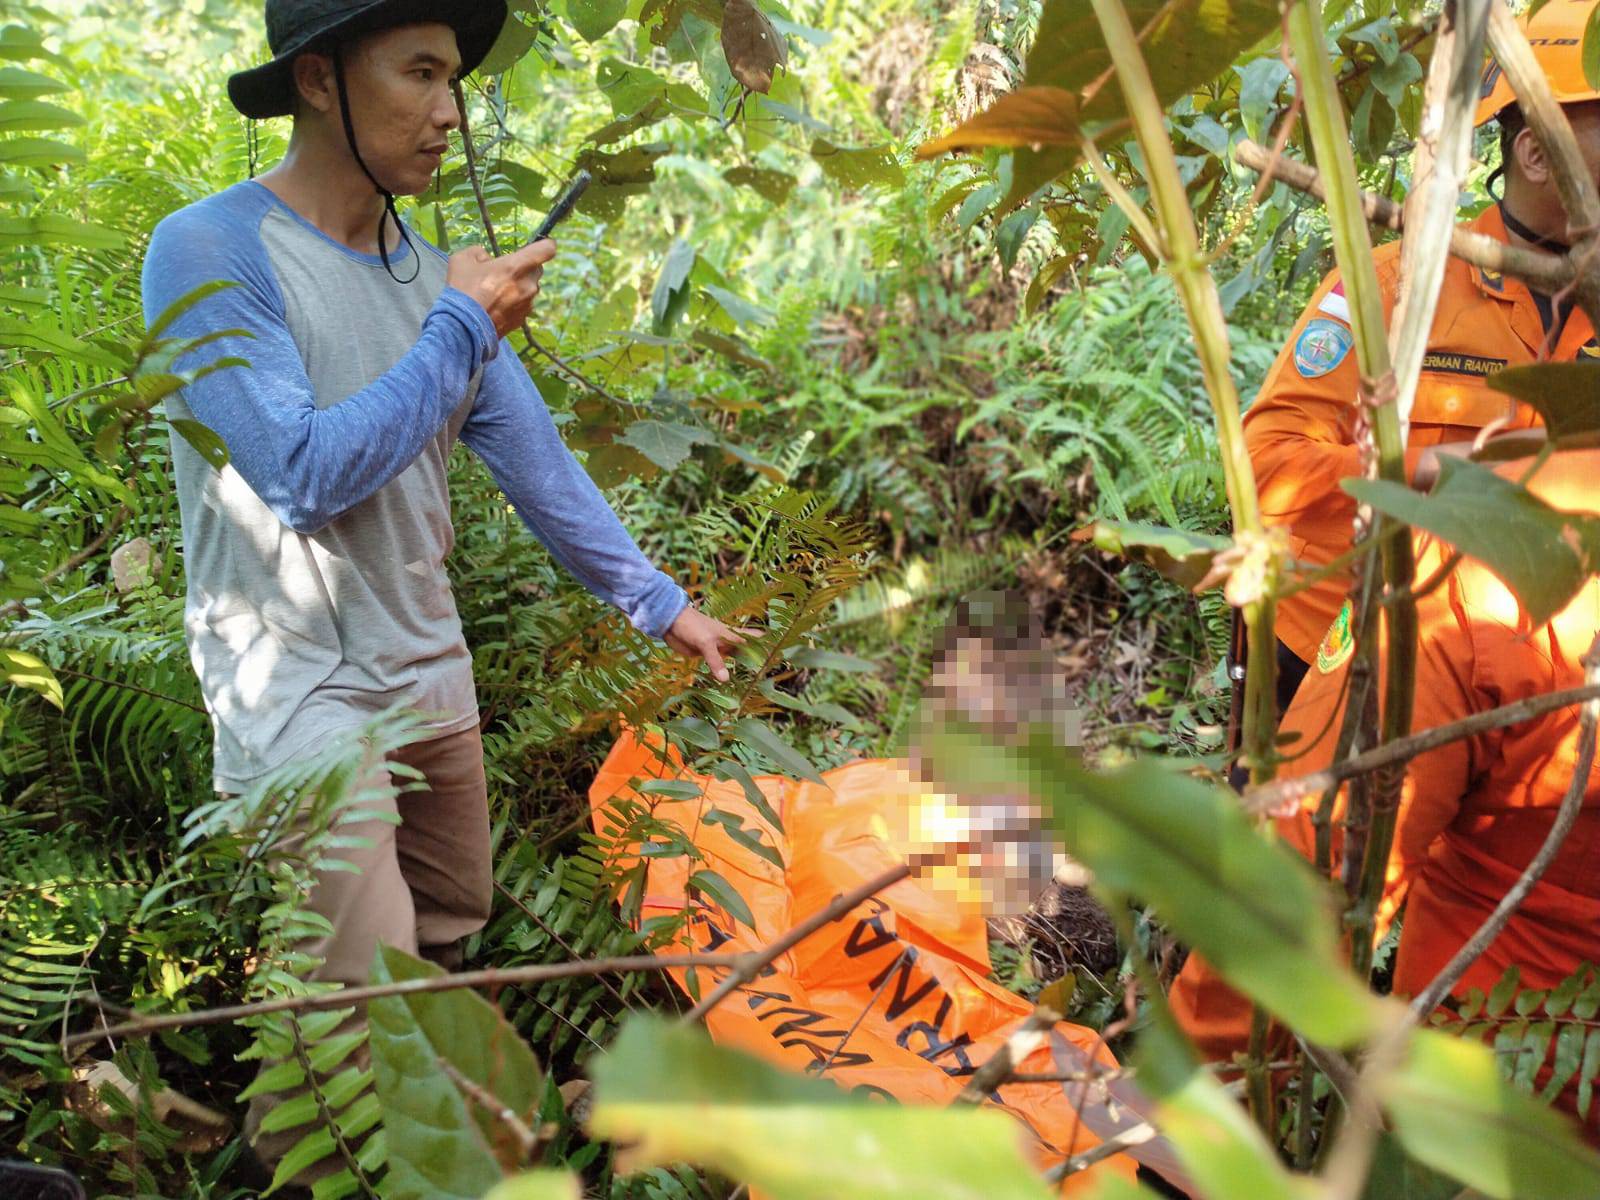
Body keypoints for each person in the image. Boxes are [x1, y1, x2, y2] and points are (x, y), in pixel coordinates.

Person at [140, 0, 747, 1183]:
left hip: (423, 663)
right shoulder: (209, 250)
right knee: (369, 1003)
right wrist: (458, 326)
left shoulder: (430, 274)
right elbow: (302, 476)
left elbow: (536, 463)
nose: (449, 110)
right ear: (318, 80)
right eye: (418, 72)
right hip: (298, 686)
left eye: (455, 79)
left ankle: (282, 1157)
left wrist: (660, 603)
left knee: (438, 951)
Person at [1171, 449, 1600, 1132]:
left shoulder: (1493, 552)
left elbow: (1307, 869)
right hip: (1508, 1086)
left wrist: (1186, 1130)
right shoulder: (1494, 559)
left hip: (1494, 1113)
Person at [1237, 0, 1600, 715]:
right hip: (1337, 654)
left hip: (1524, 684)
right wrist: (1438, 469)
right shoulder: (1397, 284)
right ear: (1536, 153)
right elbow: (1264, 465)